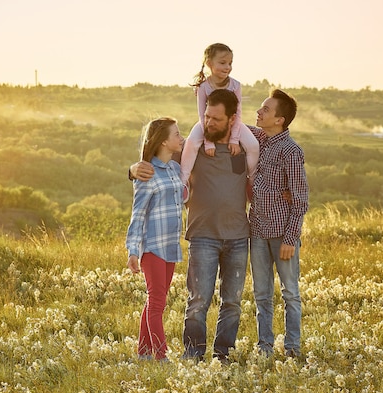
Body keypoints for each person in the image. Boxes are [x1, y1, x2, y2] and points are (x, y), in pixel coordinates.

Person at [131, 89, 249, 362]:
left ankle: (223, 356)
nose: (209, 122)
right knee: (197, 302)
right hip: (202, 236)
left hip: (238, 237)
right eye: (206, 116)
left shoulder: (243, 144)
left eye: (216, 119)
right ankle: (191, 355)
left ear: (232, 120)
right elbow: (152, 162)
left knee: (231, 303)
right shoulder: (188, 150)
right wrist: (132, 169)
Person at [247, 89, 309, 358]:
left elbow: (300, 199)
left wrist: (289, 238)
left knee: (290, 294)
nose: (259, 113)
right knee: (261, 294)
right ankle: (265, 348)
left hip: (282, 233)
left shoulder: (291, 151)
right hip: (257, 230)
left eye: (265, 110)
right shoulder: (260, 138)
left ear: (280, 120)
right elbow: (237, 125)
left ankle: (292, 348)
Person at [125, 117, 185, 361]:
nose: (182, 138)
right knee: (157, 302)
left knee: (156, 301)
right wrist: (133, 251)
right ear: (163, 141)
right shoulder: (146, 172)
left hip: (171, 244)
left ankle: (143, 353)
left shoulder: (175, 168)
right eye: (177, 135)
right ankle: (161, 357)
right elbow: (137, 215)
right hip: (152, 247)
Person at [180, 43, 259, 185]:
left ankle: (252, 181)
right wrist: (208, 141)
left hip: (234, 122)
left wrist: (234, 139)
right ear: (209, 63)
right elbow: (202, 114)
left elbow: (238, 112)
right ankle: (182, 182)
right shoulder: (203, 87)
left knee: (253, 145)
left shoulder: (235, 85)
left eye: (230, 63)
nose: (227, 67)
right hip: (207, 123)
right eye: (223, 63)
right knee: (191, 143)